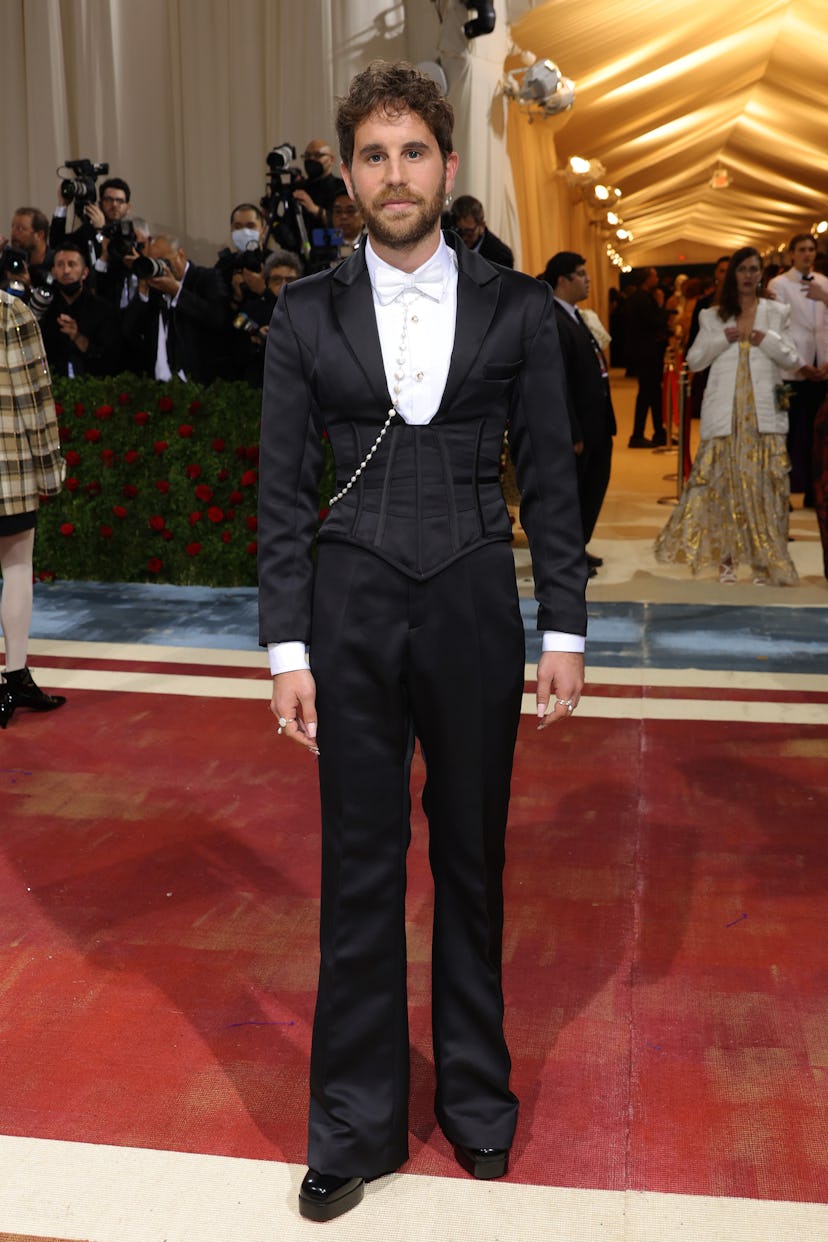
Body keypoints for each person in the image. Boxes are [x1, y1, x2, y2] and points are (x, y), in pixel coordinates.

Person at [257, 60, 587, 1223]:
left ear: (448, 167)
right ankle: (352, 1123)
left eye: (412, 153)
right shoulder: (302, 315)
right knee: (358, 873)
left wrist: (567, 627)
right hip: (344, 615)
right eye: (372, 155)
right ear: (347, 175)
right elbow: (284, 495)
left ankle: (477, 1102)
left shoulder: (518, 307)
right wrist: (284, 651)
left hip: (471, 607)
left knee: (471, 862)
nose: (394, 176)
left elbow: (552, 476)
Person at [654, 247, 799, 585]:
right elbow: (696, 358)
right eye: (742, 269)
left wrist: (768, 340)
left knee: (766, 488)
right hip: (725, 415)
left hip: (763, 416)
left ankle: (765, 561)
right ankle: (726, 560)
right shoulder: (713, 316)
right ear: (732, 274)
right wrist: (722, 339)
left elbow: (792, 358)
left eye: (754, 269)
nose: (748, 275)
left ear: (761, 273)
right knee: (722, 489)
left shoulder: (776, 313)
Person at [0, 291, 67, 728]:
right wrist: (50, 469)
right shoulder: (10, 310)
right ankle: (15, 677)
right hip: (6, 463)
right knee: (18, 566)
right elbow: (34, 394)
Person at [542, 251, 616, 575]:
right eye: (581, 274)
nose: (587, 280)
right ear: (563, 280)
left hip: (596, 422)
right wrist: (571, 431)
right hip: (579, 429)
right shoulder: (554, 320)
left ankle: (577, 549)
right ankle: (566, 558)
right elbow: (555, 382)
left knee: (591, 489)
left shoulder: (575, 316)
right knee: (572, 496)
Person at [767, 234, 828, 506]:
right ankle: (783, 493)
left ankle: (815, 493)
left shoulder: (825, 284)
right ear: (792, 253)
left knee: (819, 434)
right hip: (787, 372)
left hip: (822, 368)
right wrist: (799, 364)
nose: (807, 254)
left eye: (811, 250)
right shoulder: (778, 285)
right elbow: (776, 331)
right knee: (786, 432)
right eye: (802, 250)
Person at [121, 233, 229, 383]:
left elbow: (217, 318)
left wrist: (177, 291)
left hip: (197, 384)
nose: (162, 267)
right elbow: (129, 330)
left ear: (181, 255)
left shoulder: (207, 278)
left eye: (164, 260)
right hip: (156, 385)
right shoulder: (153, 287)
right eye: (155, 262)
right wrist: (143, 290)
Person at [37, 240, 122, 377]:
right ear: (53, 272)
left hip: (91, 388)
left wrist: (77, 337)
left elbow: (111, 360)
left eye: (72, 264)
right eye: (60, 265)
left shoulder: (103, 310)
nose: (66, 271)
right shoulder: (46, 309)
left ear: (85, 272)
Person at [624, 267, 669, 446]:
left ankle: (659, 432)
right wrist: (660, 305)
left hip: (646, 352)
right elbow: (656, 322)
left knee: (653, 393)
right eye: (654, 276)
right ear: (646, 280)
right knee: (646, 394)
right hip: (646, 353)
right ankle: (637, 435)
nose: (657, 279)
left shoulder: (639, 298)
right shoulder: (642, 299)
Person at [449, 194, 514, 267]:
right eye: (459, 231)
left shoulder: (501, 256)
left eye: (469, 232)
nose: (463, 238)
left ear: (482, 226)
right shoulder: (447, 241)